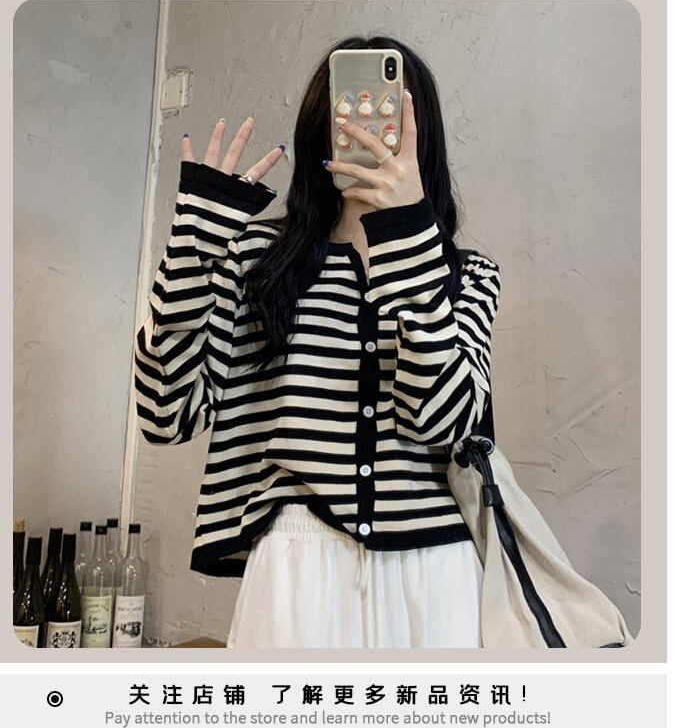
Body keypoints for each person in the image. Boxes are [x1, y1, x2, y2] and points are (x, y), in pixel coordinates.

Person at [133, 35, 502, 648]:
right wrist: (193, 251)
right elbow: (165, 413)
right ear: (320, 128)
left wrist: (409, 235)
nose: (366, 130)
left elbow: (444, 421)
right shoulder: (259, 260)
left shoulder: (466, 275)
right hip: (295, 565)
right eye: (349, 110)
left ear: (422, 135)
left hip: (436, 569)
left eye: (387, 113)